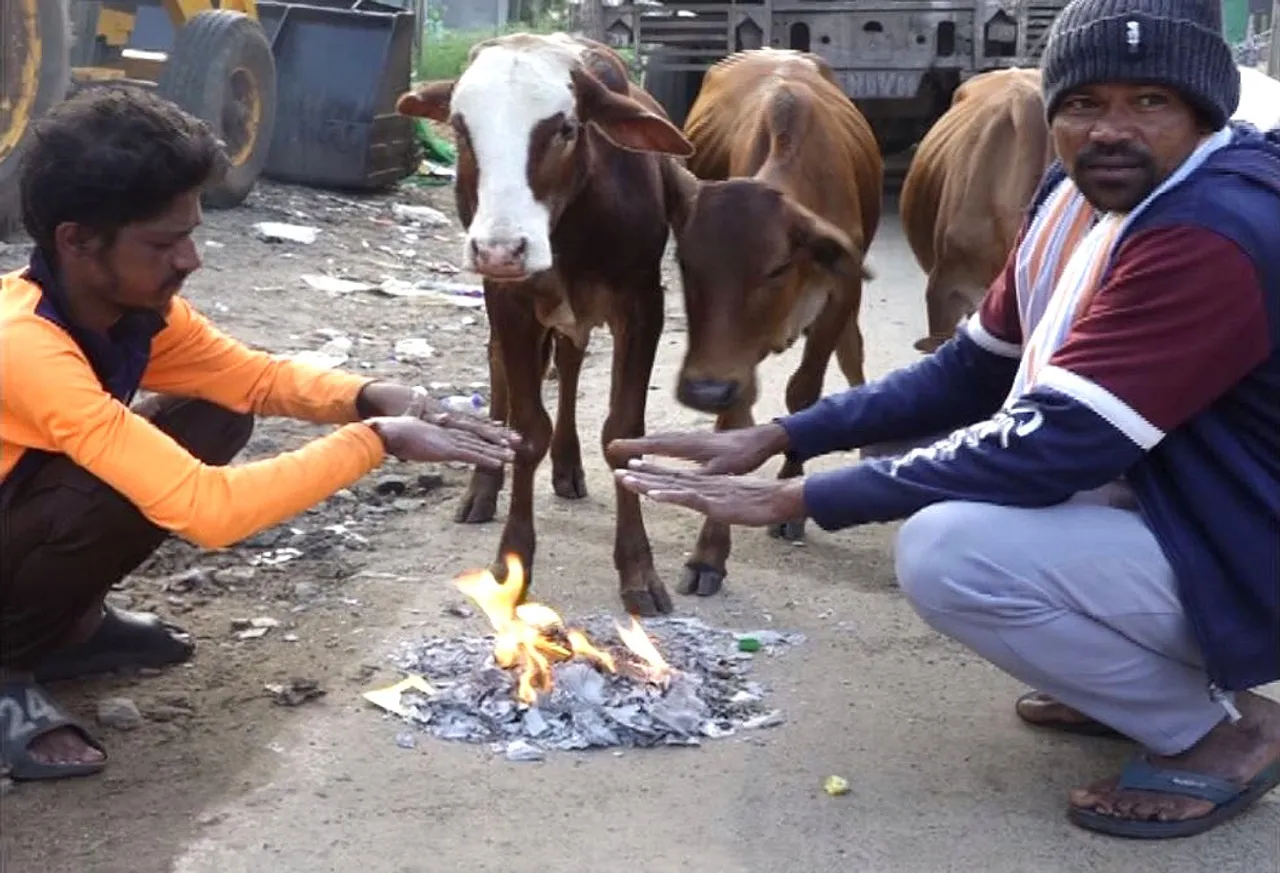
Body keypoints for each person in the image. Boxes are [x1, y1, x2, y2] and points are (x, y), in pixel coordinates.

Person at [610, 0, 1280, 841]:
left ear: (1204, 111)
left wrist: (803, 498)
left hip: (1253, 536)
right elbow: (973, 367)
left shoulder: (1214, 229)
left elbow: (1064, 443)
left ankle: (1224, 731)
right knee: (965, 487)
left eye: (1150, 102)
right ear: (1054, 110)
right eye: (1083, 103)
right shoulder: (1074, 199)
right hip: (1194, 500)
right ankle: (1137, 686)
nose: (1110, 130)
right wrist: (783, 436)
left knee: (950, 550)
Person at [0, 87, 520, 782]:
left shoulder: (126, 313)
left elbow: (253, 377)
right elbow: (210, 511)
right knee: (102, 482)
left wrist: (369, 395)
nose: (190, 259)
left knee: (215, 410)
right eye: (163, 242)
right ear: (76, 240)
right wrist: (376, 439)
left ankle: (66, 630)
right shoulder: (24, 345)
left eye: (191, 232)